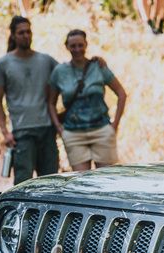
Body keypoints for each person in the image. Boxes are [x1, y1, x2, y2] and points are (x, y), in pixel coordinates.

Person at [0, 16, 59, 185]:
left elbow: (70, 74)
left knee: (50, 183)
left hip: (47, 130)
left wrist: (94, 62)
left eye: (28, 32)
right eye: (21, 32)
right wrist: (4, 131)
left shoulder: (46, 60)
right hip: (22, 133)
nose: (26, 35)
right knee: (23, 184)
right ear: (13, 36)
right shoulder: (4, 63)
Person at [49, 30, 127, 171]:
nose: (77, 49)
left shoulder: (98, 66)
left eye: (80, 45)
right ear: (66, 47)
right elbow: (51, 102)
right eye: (73, 46)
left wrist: (114, 125)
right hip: (73, 133)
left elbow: (121, 93)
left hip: (101, 130)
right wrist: (59, 128)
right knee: (82, 182)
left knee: (106, 180)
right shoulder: (59, 72)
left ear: (86, 45)